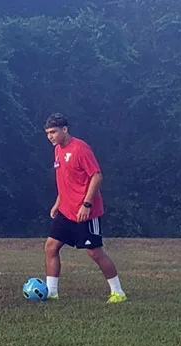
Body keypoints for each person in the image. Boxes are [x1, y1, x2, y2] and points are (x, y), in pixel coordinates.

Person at [43, 113, 127, 303]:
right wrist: (58, 203)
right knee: (50, 247)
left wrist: (86, 205)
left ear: (65, 129)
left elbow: (96, 176)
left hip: (85, 212)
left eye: (53, 132)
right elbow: (66, 180)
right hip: (66, 210)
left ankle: (118, 292)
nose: (50, 136)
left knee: (94, 253)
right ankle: (51, 292)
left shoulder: (80, 149)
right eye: (47, 133)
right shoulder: (58, 150)